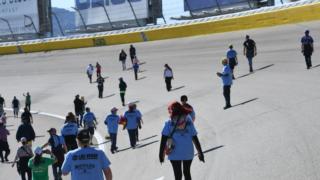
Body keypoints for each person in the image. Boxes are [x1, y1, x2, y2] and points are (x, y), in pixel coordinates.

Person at [159, 102, 204, 180]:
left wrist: (161, 155)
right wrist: (200, 153)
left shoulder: (168, 122)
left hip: (174, 153)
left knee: (178, 175)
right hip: (188, 151)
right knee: (187, 172)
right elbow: (194, 137)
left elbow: (164, 139)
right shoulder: (188, 120)